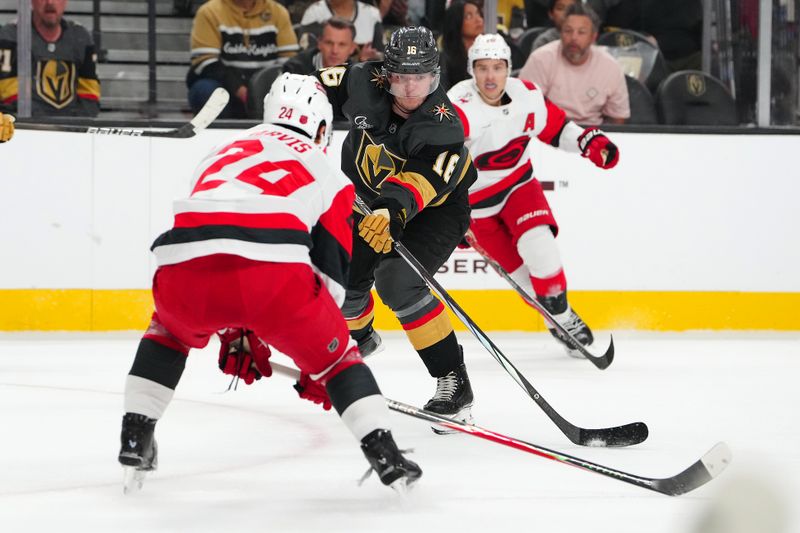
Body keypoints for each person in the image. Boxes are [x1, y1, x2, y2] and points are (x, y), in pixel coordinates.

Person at [117, 73, 422, 492]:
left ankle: (136, 432)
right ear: (320, 127)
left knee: (168, 333)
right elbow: (332, 279)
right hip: (273, 276)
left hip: (181, 267)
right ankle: (383, 451)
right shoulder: (330, 175)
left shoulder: (219, 151)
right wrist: (322, 362)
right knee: (341, 360)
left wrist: (235, 334)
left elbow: (217, 242)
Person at [314, 26, 478, 430]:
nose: (409, 89)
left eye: (419, 77)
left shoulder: (444, 126)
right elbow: (307, 89)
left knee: (398, 282)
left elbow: (415, 186)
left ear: (435, 76)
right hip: (366, 201)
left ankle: (453, 383)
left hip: (435, 209)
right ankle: (361, 337)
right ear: (386, 74)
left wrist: (388, 212)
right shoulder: (360, 79)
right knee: (344, 283)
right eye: (401, 77)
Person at [448, 34, 620, 355]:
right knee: (523, 283)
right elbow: (434, 161)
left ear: (509, 69)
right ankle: (558, 320)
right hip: (474, 208)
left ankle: (564, 318)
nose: (490, 77)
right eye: (482, 68)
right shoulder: (457, 106)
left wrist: (589, 144)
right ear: (472, 70)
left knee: (540, 248)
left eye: (497, 68)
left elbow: (557, 127)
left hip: (518, 187)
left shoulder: (527, 95)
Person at [518, 3, 629, 125]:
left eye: (581, 32)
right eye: (568, 31)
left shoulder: (610, 67)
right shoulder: (540, 59)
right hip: (548, 131)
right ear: (560, 33)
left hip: (592, 134)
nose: (574, 38)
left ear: (593, 37)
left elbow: (618, 118)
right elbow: (523, 108)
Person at [187, 0, 299, 119]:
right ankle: (217, 133)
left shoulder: (278, 12)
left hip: (267, 90)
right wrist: (242, 91)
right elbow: (205, 62)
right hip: (226, 88)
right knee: (205, 90)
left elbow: (288, 61)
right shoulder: (209, 12)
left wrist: (265, 93)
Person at [0, 0, 100, 117]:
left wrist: (74, 125)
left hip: (71, 129)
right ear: (32, 1)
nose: (50, 2)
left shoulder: (81, 36)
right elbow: (8, 97)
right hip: (26, 129)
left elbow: (90, 97)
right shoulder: (11, 35)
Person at [300, 0, 383, 61]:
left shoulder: (372, 14)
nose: (335, 50)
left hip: (363, 76)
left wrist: (371, 59)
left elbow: (381, 53)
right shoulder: (314, 13)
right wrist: (358, 60)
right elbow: (307, 55)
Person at [283, 17, 358, 75]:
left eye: (342, 45)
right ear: (319, 43)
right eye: (329, 43)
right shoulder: (294, 70)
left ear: (352, 48)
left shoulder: (358, 75)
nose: (335, 51)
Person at [439, 0, 484, 90]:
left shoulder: (489, 52)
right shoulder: (445, 60)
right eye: (469, 16)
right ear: (456, 21)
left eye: (478, 14)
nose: (478, 20)